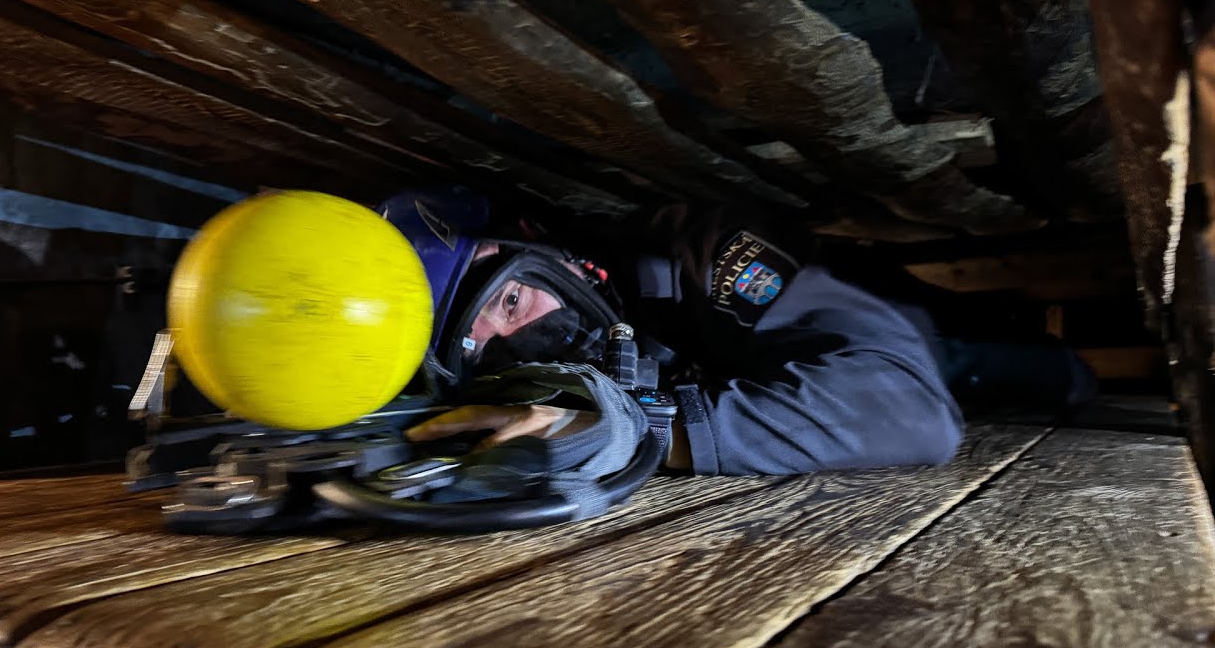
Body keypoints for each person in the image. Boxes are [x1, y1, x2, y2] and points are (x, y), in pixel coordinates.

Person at [382, 186, 1093, 475]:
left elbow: (908, 412)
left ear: (553, 253)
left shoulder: (706, 256)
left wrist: (634, 432)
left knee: (1053, 377)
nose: (516, 343)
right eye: (479, 349)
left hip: (921, 345)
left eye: (510, 301)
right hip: (778, 379)